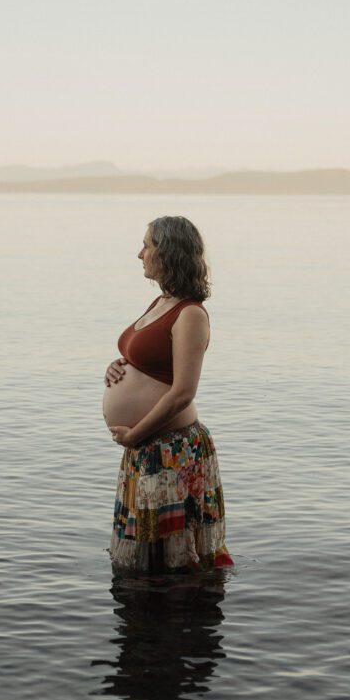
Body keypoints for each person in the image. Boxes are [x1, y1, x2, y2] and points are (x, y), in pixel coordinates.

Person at [102, 215, 235, 573]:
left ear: (168, 252)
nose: (139, 254)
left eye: (146, 245)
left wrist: (135, 434)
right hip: (147, 448)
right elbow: (150, 361)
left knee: (176, 561)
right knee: (148, 560)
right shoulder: (160, 302)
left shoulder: (190, 314)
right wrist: (117, 366)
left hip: (171, 450)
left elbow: (182, 393)